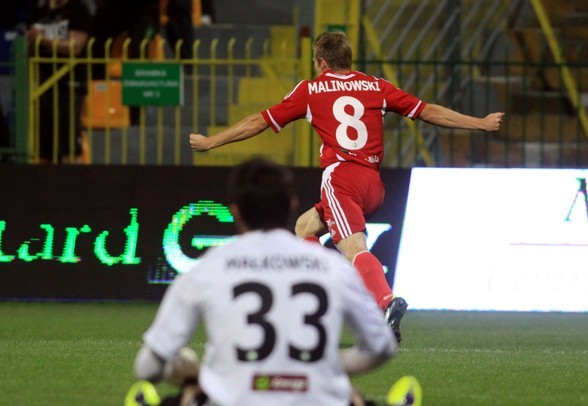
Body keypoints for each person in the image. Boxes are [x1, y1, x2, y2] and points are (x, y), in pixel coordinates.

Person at [189, 31, 506, 342]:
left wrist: (212, 141)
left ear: (322, 63)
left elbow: (259, 121)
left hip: (341, 179)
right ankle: (331, 293)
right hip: (373, 185)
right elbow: (428, 111)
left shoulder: (312, 90)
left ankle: (385, 300)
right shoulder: (377, 86)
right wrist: (479, 123)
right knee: (304, 227)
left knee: (354, 249)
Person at [131, 157, 398, 405]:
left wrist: (198, 372)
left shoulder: (209, 267)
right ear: (292, 205)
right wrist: (327, 366)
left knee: (188, 391)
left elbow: (146, 367)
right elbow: (382, 345)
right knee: (349, 396)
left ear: (235, 212)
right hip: (312, 398)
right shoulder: (333, 267)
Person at [26, 0, 92, 163]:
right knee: (44, 146)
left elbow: (76, 47)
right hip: (41, 86)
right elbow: (29, 47)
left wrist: (43, 40)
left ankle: (72, 185)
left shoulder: (78, 10)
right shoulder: (39, 11)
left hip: (68, 85)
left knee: (68, 144)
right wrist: (29, 40)